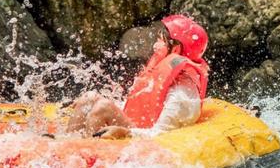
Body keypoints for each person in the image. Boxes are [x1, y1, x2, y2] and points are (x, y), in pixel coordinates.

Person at [67, 14, 209, 139]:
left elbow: (162, 135)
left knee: (102, 108)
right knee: (90, 98)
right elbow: (134, 108)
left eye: (160, 41)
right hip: (138, 127)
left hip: (143, 138)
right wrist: (94, 100)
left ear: (176, 49)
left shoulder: (182, 95)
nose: (155, 46)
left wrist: (126, 133)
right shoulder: (160, 77)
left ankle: (85, 153)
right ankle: (65, 143)